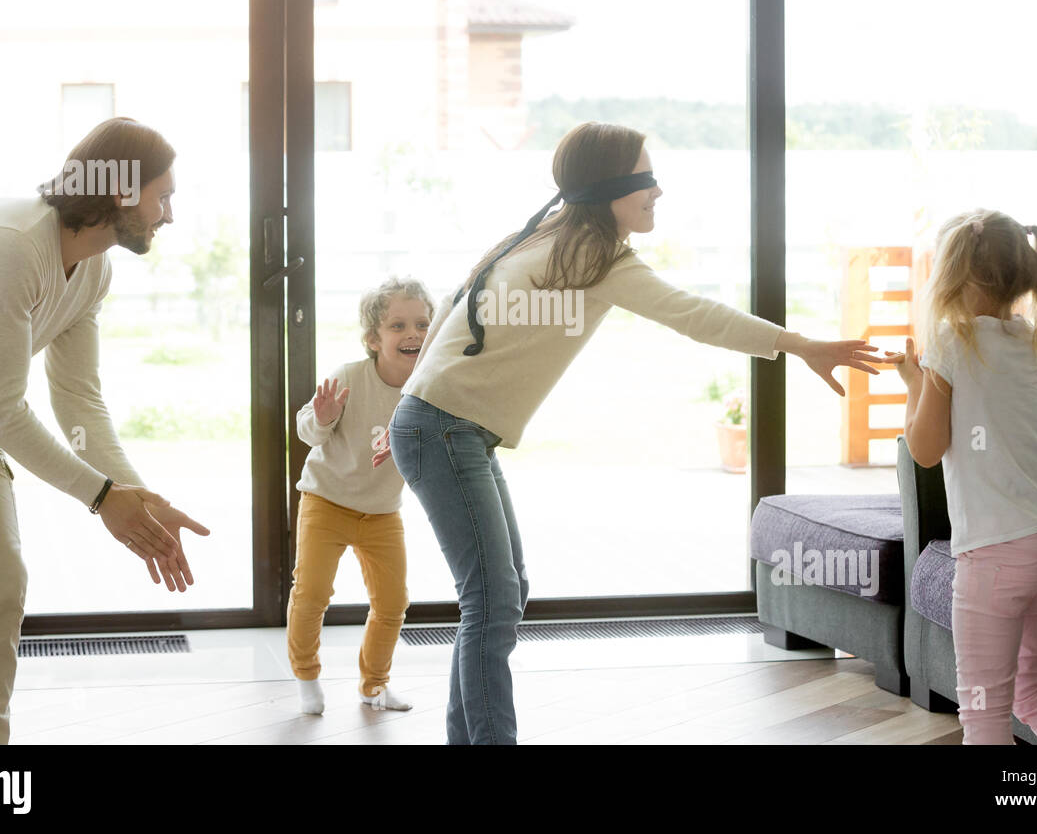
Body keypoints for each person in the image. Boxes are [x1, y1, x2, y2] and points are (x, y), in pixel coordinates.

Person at [374, 120, 893, 744]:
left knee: (500, 592)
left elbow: (695, 315)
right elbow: (463, 305)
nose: (657, 192)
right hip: (441, 429)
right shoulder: (568, 246)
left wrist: (795, 345)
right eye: (646, 178)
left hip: (450, 432)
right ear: (610, 186)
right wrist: (407, 408)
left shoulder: (576, 248)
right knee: (493, 596)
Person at [0, 116, 208, 744]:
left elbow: (80, 401)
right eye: (162, 196)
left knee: (1, 588)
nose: (168, 214)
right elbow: (8, 411)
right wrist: (102, 499)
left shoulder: (95, 270)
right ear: (120, 192)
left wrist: (135, 495)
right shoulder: (12, 245)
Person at [894, 209, 1037, 745]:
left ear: (954, 278)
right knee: (1035, 691)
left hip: (997, 553)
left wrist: (913, 385)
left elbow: (927, 450)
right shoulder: (1027, 339)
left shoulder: (951, 341)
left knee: (983, 714)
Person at [288, 276, 432, 715]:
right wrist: (324, 417)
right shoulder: (348, 377)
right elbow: (307, 429)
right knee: (311, 594)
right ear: (373, 338)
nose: (413, 334)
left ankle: (374, 686)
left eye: (423, 324)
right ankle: (307, 676)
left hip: (382, 512)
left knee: (392, 603)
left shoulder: (428, 388)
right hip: (326, 500)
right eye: (398, 326)